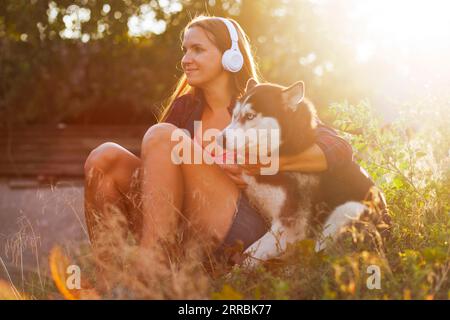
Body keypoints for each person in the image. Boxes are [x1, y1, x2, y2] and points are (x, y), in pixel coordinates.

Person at [83, 15, 355, 265]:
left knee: (162, 135)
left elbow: (339, 146)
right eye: (185, 50)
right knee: (104, 158)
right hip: (186, 226)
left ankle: (154, 272)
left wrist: (271, 163)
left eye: (198, 49)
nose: (186, 59)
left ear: (231, 57)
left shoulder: (262, 104)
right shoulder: (184, 109)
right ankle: (110, 285)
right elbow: (157, 186)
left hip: (242, 226)